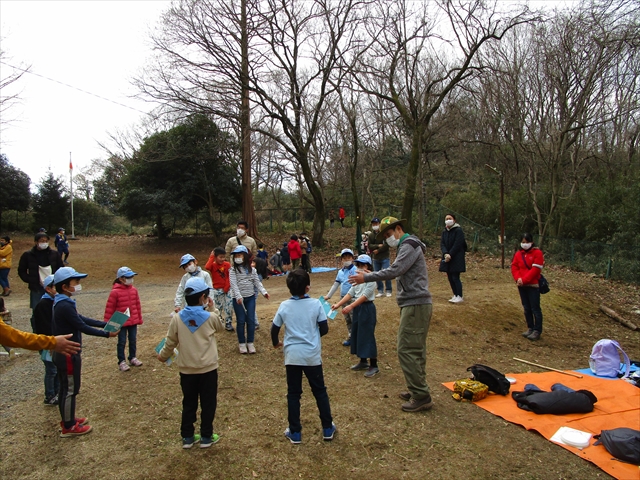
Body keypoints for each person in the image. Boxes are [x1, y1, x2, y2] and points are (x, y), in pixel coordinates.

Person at [349, 216, 434, 413]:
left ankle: (421, 395)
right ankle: (417, 388)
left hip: (416, 303)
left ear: (398, 229)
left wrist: (366, 277)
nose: (387, 239)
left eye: (388, 234)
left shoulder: (409, 245)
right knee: (415, 349)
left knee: (406, 349)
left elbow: (395, 270)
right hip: (414, 303)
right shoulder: (408, 246)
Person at [157, 277, 224, 449]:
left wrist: (163, 356)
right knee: (208, 403)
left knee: (189, 402)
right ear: (203, 297)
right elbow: (221, 326)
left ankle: (187, 436)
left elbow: (170, 341)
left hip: (187, 370)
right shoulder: (210, 317)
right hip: (208, 368)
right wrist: (213, 307)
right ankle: (206, 436)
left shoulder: (177, 319)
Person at [51, 267, 119, 437]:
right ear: (65, 286)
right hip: (68, 353)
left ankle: (69, 419)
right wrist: (107, 334)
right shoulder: (64, 305)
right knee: (70, 389)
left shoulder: (62, 302)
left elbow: (81, 319)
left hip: (65, 352)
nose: (79, 285)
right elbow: (82, 327)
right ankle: (69, 426)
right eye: (76, 282)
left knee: (67, 388)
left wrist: (104, 324)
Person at [271, 268, 336, 444]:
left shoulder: (284, 306)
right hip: (311, 356)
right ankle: (328, 428)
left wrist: (276, 343)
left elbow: (274, 329)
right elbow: (324, 328)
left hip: (292, 356)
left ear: (289, 288)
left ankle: (295, 432)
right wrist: (312, 336)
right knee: (319, 391)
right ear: (308, 287)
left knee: (293, 393)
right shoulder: (316, 304)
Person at [331, 255, 379, 378]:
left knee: (367, 335)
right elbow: (350, 293)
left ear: (368, 266)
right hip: (358, 308)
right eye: (358, 265)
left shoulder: (371, 279)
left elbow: (365, 295)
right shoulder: (357, 279)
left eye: (362, 265)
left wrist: (351, 306)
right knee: (358, 333)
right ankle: (363, 361)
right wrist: (338, 304)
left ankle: (374, 365)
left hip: (367, 308)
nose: (359, 268)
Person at [18, 232, 64, 329]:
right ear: (36, 242)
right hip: (37, 288)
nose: (44, 243)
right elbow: (21, 270)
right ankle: (37, 332)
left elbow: (61, 269)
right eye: (41, 241)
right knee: (37, 312)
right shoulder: (28, 255)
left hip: (53, 288)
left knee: (54, 311)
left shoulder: (54, 254)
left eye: (46, 241)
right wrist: (31, 280)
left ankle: (54, 331)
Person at [229, 245, 269, 354]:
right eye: (236, 256)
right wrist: (238, 296)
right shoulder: (232, 270)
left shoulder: (252, 270)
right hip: (238, 300)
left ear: (245, 256)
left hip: (250, 297)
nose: (237, 257)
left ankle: (250, 342)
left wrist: (264, 292)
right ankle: (242, 343)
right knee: (241, 321)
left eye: (239, 255)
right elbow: (233, 284)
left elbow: (257, 282)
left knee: (251, 320)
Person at [104, 267, 144, 372]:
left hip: (133, 321)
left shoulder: (134, 290)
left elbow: (137, 305)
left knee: (133, 340)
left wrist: (139, 318)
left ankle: (132, 357)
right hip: (120, 322)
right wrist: (108, 323)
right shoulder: (115, 292)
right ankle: (121, 361)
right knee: (121, 341)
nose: (131, 279)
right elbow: (110, 308)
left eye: (131, 276)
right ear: (121, 279)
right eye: (128, 277)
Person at [511, 233, 545, 341]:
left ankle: (537, 330)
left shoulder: (537, 253)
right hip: (522, 285)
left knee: (535, 308)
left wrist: (524, 279)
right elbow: (514, 266)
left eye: (527, 242)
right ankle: (530, 327)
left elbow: (536, 270)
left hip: (533, 285)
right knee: (526, 308)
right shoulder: (518, 254)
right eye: (523, 242)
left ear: (531, 242)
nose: (525, 244)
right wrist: (518, 279)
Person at [32, 274, 59, 405]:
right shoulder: (43, 305)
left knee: (57, 368)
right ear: (48, 289)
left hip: (54, 342)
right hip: (46, 342)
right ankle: (49, 395)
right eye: (56, 286)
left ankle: (57, 391)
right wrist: (49, 344)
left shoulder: (55, 302)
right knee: (51, 370)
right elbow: (43, 327)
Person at [325, 249, 357, 347]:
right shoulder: (340, 272)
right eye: (344, 258)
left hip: (353, 297)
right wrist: (328, 296)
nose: (346, 259)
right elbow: (336, 284)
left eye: (349, 257)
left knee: (354, 317)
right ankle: (351, 336)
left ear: (352, 258)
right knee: (347, 318)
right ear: (341, 260)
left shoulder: (355, 270)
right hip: (343, 298)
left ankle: (357, 338)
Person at [439, 213, 467, 304]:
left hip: (456, 257)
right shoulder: (444, 231)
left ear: (454, 220)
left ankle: (459, 295)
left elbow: (458, 244)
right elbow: (442, 243)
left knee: (455, 277)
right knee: (450, 277)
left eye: (450, 218)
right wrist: (445, 253)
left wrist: (450, 254)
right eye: (446, 218)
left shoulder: (458, 230)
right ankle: (455, 294)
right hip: (447, 257)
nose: (448, 220)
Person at [205, 247, 234, 332]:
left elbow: (229, 276)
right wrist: (211, 257)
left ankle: (228, 322)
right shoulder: (213, 265)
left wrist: (226, 287)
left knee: (229, 306)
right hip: (216, 289)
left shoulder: (227, 265)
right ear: (215, 257)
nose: (222, 259)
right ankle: (219, 322)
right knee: (218, 307)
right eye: (220, 257)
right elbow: (207, 267)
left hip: (227, 289)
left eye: (223, 257)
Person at [367, 218, 392, 298]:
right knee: (377, 274)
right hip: (375, 258)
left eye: (376, 224)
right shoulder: (371, 235)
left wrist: (378, 250)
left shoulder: (384, 233)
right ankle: (380, 290)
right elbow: (369, 246)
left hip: (385, 257)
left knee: (387, 273)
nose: (375, 225)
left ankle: (388, 290)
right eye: (373, 224)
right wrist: (377, 246)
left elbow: (386, 245)